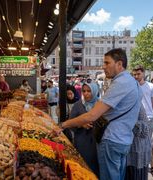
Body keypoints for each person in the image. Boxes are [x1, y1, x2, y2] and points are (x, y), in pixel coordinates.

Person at [56, 48, 142, 179]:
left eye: (107, 63)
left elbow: (92, 115)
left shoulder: (121, 83)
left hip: (111, 139)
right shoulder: (133, 82)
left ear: (119, 64)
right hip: (123, 139)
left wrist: (64, 124)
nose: (103, 67)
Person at [132, 65, 153, 177]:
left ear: (143, 73)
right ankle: (138, 163)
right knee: (135, 143)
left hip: (148, 117)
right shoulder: (131, 86)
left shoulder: (151, 86)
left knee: (148, 142)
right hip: (134, 118)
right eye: (134, 74)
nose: (136, 76)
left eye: (138, 74)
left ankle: (152, 165)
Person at [67, 82, 100, 177]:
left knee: (96, 167)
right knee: (82, 168)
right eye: (84, 91)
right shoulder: (78, 105)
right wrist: (81, 124)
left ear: (94, 91)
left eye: (89, 91)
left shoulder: (100, 105)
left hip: (97, 142)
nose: (86, 93)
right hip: (82, 141)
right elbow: (70, 123)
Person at [125, 106, 152, 180]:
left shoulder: (135, 102)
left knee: (135, 173)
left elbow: (144, 131)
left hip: (137, 147)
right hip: (131, 146)